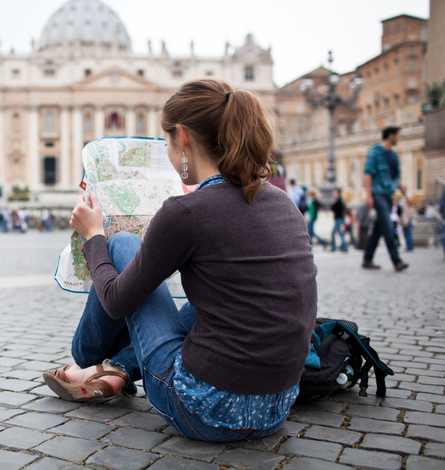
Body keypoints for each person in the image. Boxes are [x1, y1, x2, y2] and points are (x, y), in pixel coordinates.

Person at [42, 79, 317, 443]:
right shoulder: (284, 204)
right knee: (217, 298)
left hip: (203, 410)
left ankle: (88, 360)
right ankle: (119, 368)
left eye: (168, 143)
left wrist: (94, 236)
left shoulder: (187, 211)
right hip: (273, 409)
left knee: (121, 243)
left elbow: (115, 300)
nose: (170, 156)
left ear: (182, 139)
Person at [362, 127, 409, 271]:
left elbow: (397, 178)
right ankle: (397, 261)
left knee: (379, 228)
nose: (398, 138)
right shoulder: (374, 153)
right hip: (377, 194)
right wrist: (369, 195)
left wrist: (407, 196)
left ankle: (367, 259)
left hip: (388, 195)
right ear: (391, 135)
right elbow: (367, 175)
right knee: (388, 226)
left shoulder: (393, 156)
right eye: (397, 136)